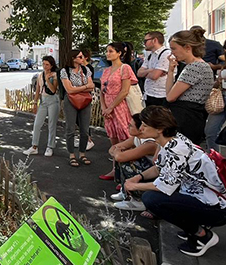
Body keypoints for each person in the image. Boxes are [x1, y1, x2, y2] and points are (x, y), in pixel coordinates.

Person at [123, 106, 226, 255]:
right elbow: (160, 169)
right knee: (155, 196)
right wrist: (139, 177)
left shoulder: (176, 150)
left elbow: (165, 185)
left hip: (216, 208)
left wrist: (134, 185)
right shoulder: (172, 141)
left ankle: (202, 235)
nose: (141, 128)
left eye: (145, 125)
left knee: (152, 199)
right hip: (203, 197)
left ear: (160, 129)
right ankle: (193, 227)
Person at [164, 29, 214, 145]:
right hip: (193, 116)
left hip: (185, 119)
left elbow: (170, 97)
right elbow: (169, 95)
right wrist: (171, 71)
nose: (172, 53)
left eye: (174, 48)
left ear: (187, 47)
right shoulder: (200, 65)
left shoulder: (194, 67)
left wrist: (170, 72)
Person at [99, 42, 138, 180]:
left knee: (125, 139)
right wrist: (104, 107)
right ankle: (115, 170)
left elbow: (124, 91)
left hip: (120, 107)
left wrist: (111, 107)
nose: (108, 53)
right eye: (107, 51)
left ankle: (129, 173)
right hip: (108, 109)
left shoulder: (125, 68)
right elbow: (102, 91)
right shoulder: (106, 70)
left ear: (119, 53)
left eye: (111, 51)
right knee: (113, 140)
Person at [109, 113, 158, 212]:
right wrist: (119, 152)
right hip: (146, 169)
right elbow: (112, 149)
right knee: (124, 158)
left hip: (153, 174)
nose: (128, 127)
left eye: (131, 125)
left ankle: (137, 200)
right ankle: (125, 192)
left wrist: (119, 152)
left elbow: (119, 156)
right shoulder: (136, 138)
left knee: (126, 161)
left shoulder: (149, 143)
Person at [56, 49, 94, 166]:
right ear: (73, 58)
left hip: (85, 100)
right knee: (70, 128)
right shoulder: (65, 71)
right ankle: (72, 154)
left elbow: (91, 86)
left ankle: (82, 154)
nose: (83, 59)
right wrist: (85, 86)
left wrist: (77, 88)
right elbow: (69, 90)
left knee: (84, 129)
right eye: (80, 57)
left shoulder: (85, 69)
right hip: (70, 101)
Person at [24, 56, 61, 157]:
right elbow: (37, 90)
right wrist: (35, 102)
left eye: (47, 64)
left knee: (52, 124)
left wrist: (48, 79)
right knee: (37, 124)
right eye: (44, 64)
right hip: (43, 101)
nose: (45, 66)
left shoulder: (54, 75)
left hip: (53, 100)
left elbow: (53, 90)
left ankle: (50, 147)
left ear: (51, 65)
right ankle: (34, 146)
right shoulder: (40, 75)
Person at [137, 31, 169, 107]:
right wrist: (150, 70)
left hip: (161, 96)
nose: (144, 44)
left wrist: (147, 72)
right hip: (149, 94)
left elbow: (154, 76)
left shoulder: (166, 54)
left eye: (145, 41)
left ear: (154, 40)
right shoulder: (150, 55)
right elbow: (139, 73)